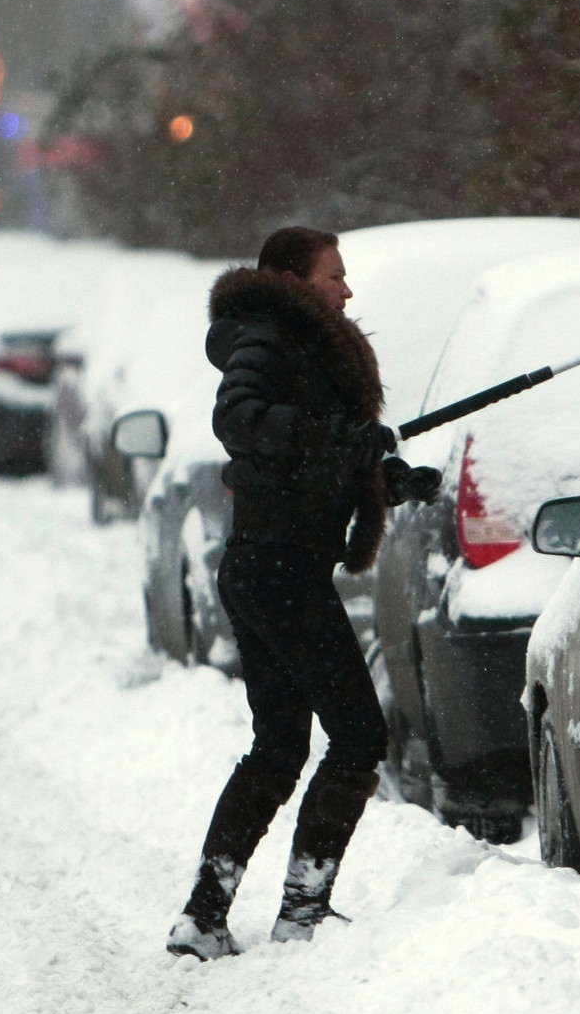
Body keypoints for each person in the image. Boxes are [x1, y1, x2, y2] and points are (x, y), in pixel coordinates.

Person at [168, 227, 440, 960]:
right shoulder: (267, 338)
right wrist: (330, 437)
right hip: (278, 570)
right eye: (335, 276)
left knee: (280, 744)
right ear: (294, 278)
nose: (346, 290)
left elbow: (314, 460)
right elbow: (240, 420)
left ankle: (205, 914)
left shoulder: (302, 344)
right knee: (357, 735)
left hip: (271, 565)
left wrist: (385, 478)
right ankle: (302, 910)